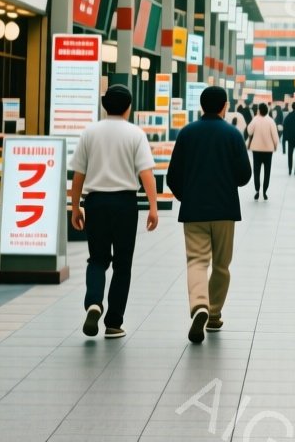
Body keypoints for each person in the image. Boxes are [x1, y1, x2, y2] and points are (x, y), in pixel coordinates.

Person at [68, 85, 160, 339]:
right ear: (129, 107)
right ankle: (113, 323)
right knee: (122, 264)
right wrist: (153, 207)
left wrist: (75, 207)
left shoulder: (90, 132)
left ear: (104, 106)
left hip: (95, 202)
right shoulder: (135, 134)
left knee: (97, 259)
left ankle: (94, 302)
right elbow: (146, 174)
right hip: (125, 204)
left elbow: (78, 175)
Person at [167, 85, 252, 343]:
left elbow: (172, 175)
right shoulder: (232, 134)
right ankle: (213, 313)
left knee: (197, 260)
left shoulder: (187, 133)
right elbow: (244, 175)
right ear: (225, 106)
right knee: (221, 265)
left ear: (202, 106)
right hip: (225, 209)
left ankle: (199, 305)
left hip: (194, 210)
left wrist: (185, 196)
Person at [246, 103, 279, 199]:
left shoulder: (255, 119)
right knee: (267, 172)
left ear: (259, 110)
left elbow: (249, 131)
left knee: (256, 171)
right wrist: (275, 146)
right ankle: (264, 191)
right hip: (268, 151)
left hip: (256, 150)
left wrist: (256, 117)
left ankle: (257, 190)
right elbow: (275, 137)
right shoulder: (271, 121)